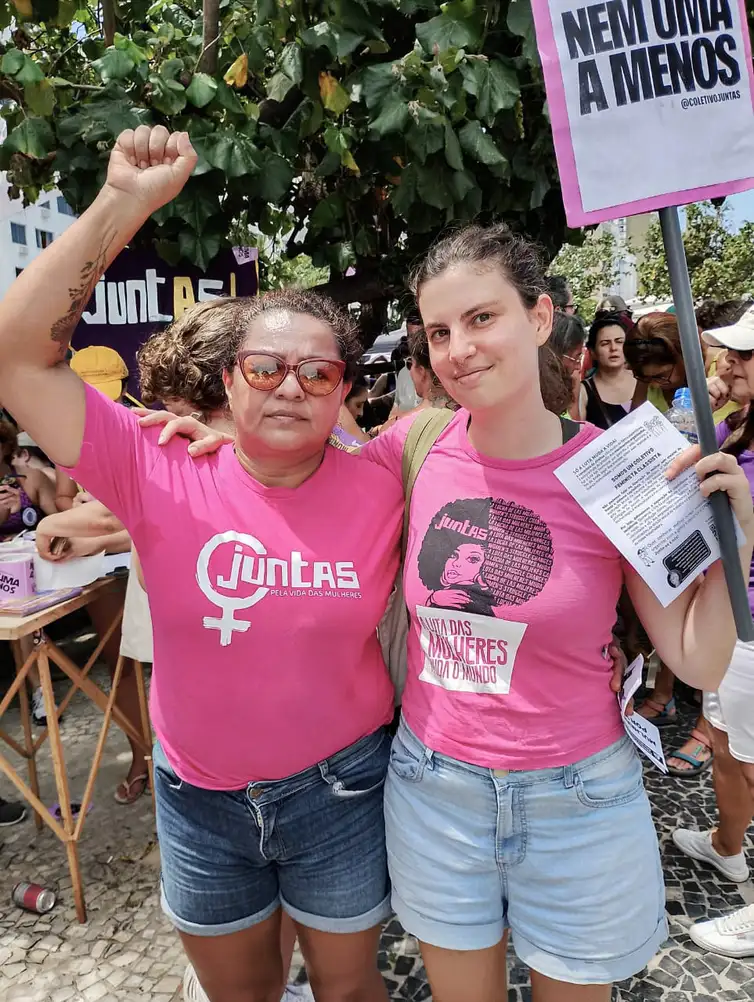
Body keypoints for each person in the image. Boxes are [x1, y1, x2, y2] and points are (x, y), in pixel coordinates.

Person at [159, 223, 754, 1002]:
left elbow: (700, 660)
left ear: (539, 318)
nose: (459, 348)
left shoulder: (622, 470)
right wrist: (203, 442)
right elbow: (296, 477)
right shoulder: (414, 446)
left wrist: (732, 541)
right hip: (436, 793)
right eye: (439, 331)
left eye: (482, 318)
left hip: (578, 799)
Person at [0, 126, 405, 1002]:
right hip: (199, 804)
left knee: (348, 989)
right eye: (266, 367)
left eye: (316, 371)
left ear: (345, 390)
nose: (290, 386)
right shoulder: (155, 466)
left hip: (342, 789)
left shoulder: (387, 478)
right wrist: (121, 204)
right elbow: (18, 355)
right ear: (228, 382)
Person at [674, 304, 754, 959]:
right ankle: (729, 847)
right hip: (735, 621)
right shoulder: (738, 422)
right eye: (727, 351)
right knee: (727, 748)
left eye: (744, 355)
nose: (729, 362)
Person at [581, 312, 636, 429]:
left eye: (619, 341)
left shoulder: (644, 381)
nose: (613, 348)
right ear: (592, 351)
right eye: (605, 343)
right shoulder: (583, 392)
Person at [547, 312, 586, 420]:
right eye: (576, 358)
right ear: (557, 353)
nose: (578, 366)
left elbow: (575, 427)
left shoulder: (571, 381)